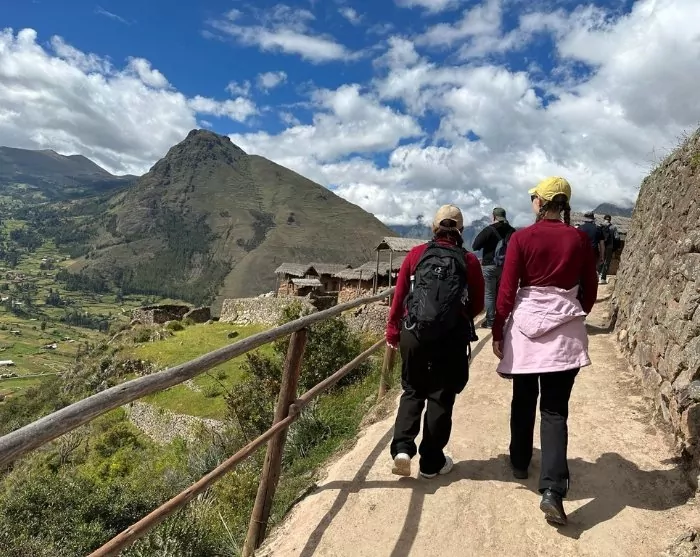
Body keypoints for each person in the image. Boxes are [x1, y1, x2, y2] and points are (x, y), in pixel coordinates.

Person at [491, 177, 598, 526]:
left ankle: (520, 462)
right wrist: (572, 312)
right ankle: (552, 490)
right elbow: (590, 290)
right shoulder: (579, 239)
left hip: (525, 331)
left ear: (540, 202)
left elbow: (507, 290)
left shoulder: (521, 238)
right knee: (554, 411)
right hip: (565, 334)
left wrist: (498, 330)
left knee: (523, 399)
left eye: (533, 198)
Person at [387, 204, 484, 479]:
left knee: (412, 389)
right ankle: (431, 463)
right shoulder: (469, 260)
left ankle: (402, 449)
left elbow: (400, 297)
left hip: (414, 333)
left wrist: (393, 331)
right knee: (441, 395)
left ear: (434, 228)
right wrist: (456, 317)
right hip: (450, 337)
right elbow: (478, 302)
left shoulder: (416, 254)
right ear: (461, 230)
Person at [472, 208, 516, 329]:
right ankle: (501, 318)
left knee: (489, 293)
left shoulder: (489, 230)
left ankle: (490, 321)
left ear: (494, 217)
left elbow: (475, 246)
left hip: (489, 265)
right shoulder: (512, 231)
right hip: (505, 266)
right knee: (501, 292)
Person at [598, 214, 619, 284]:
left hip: (600, 246)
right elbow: (617, 238)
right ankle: (603, 278)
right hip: (609, 247)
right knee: (607, 262)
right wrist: (615, 248)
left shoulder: (600, 226)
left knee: (600, 260)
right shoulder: (613, 227)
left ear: (604, 219)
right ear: (610, 219)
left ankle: (597, 276)